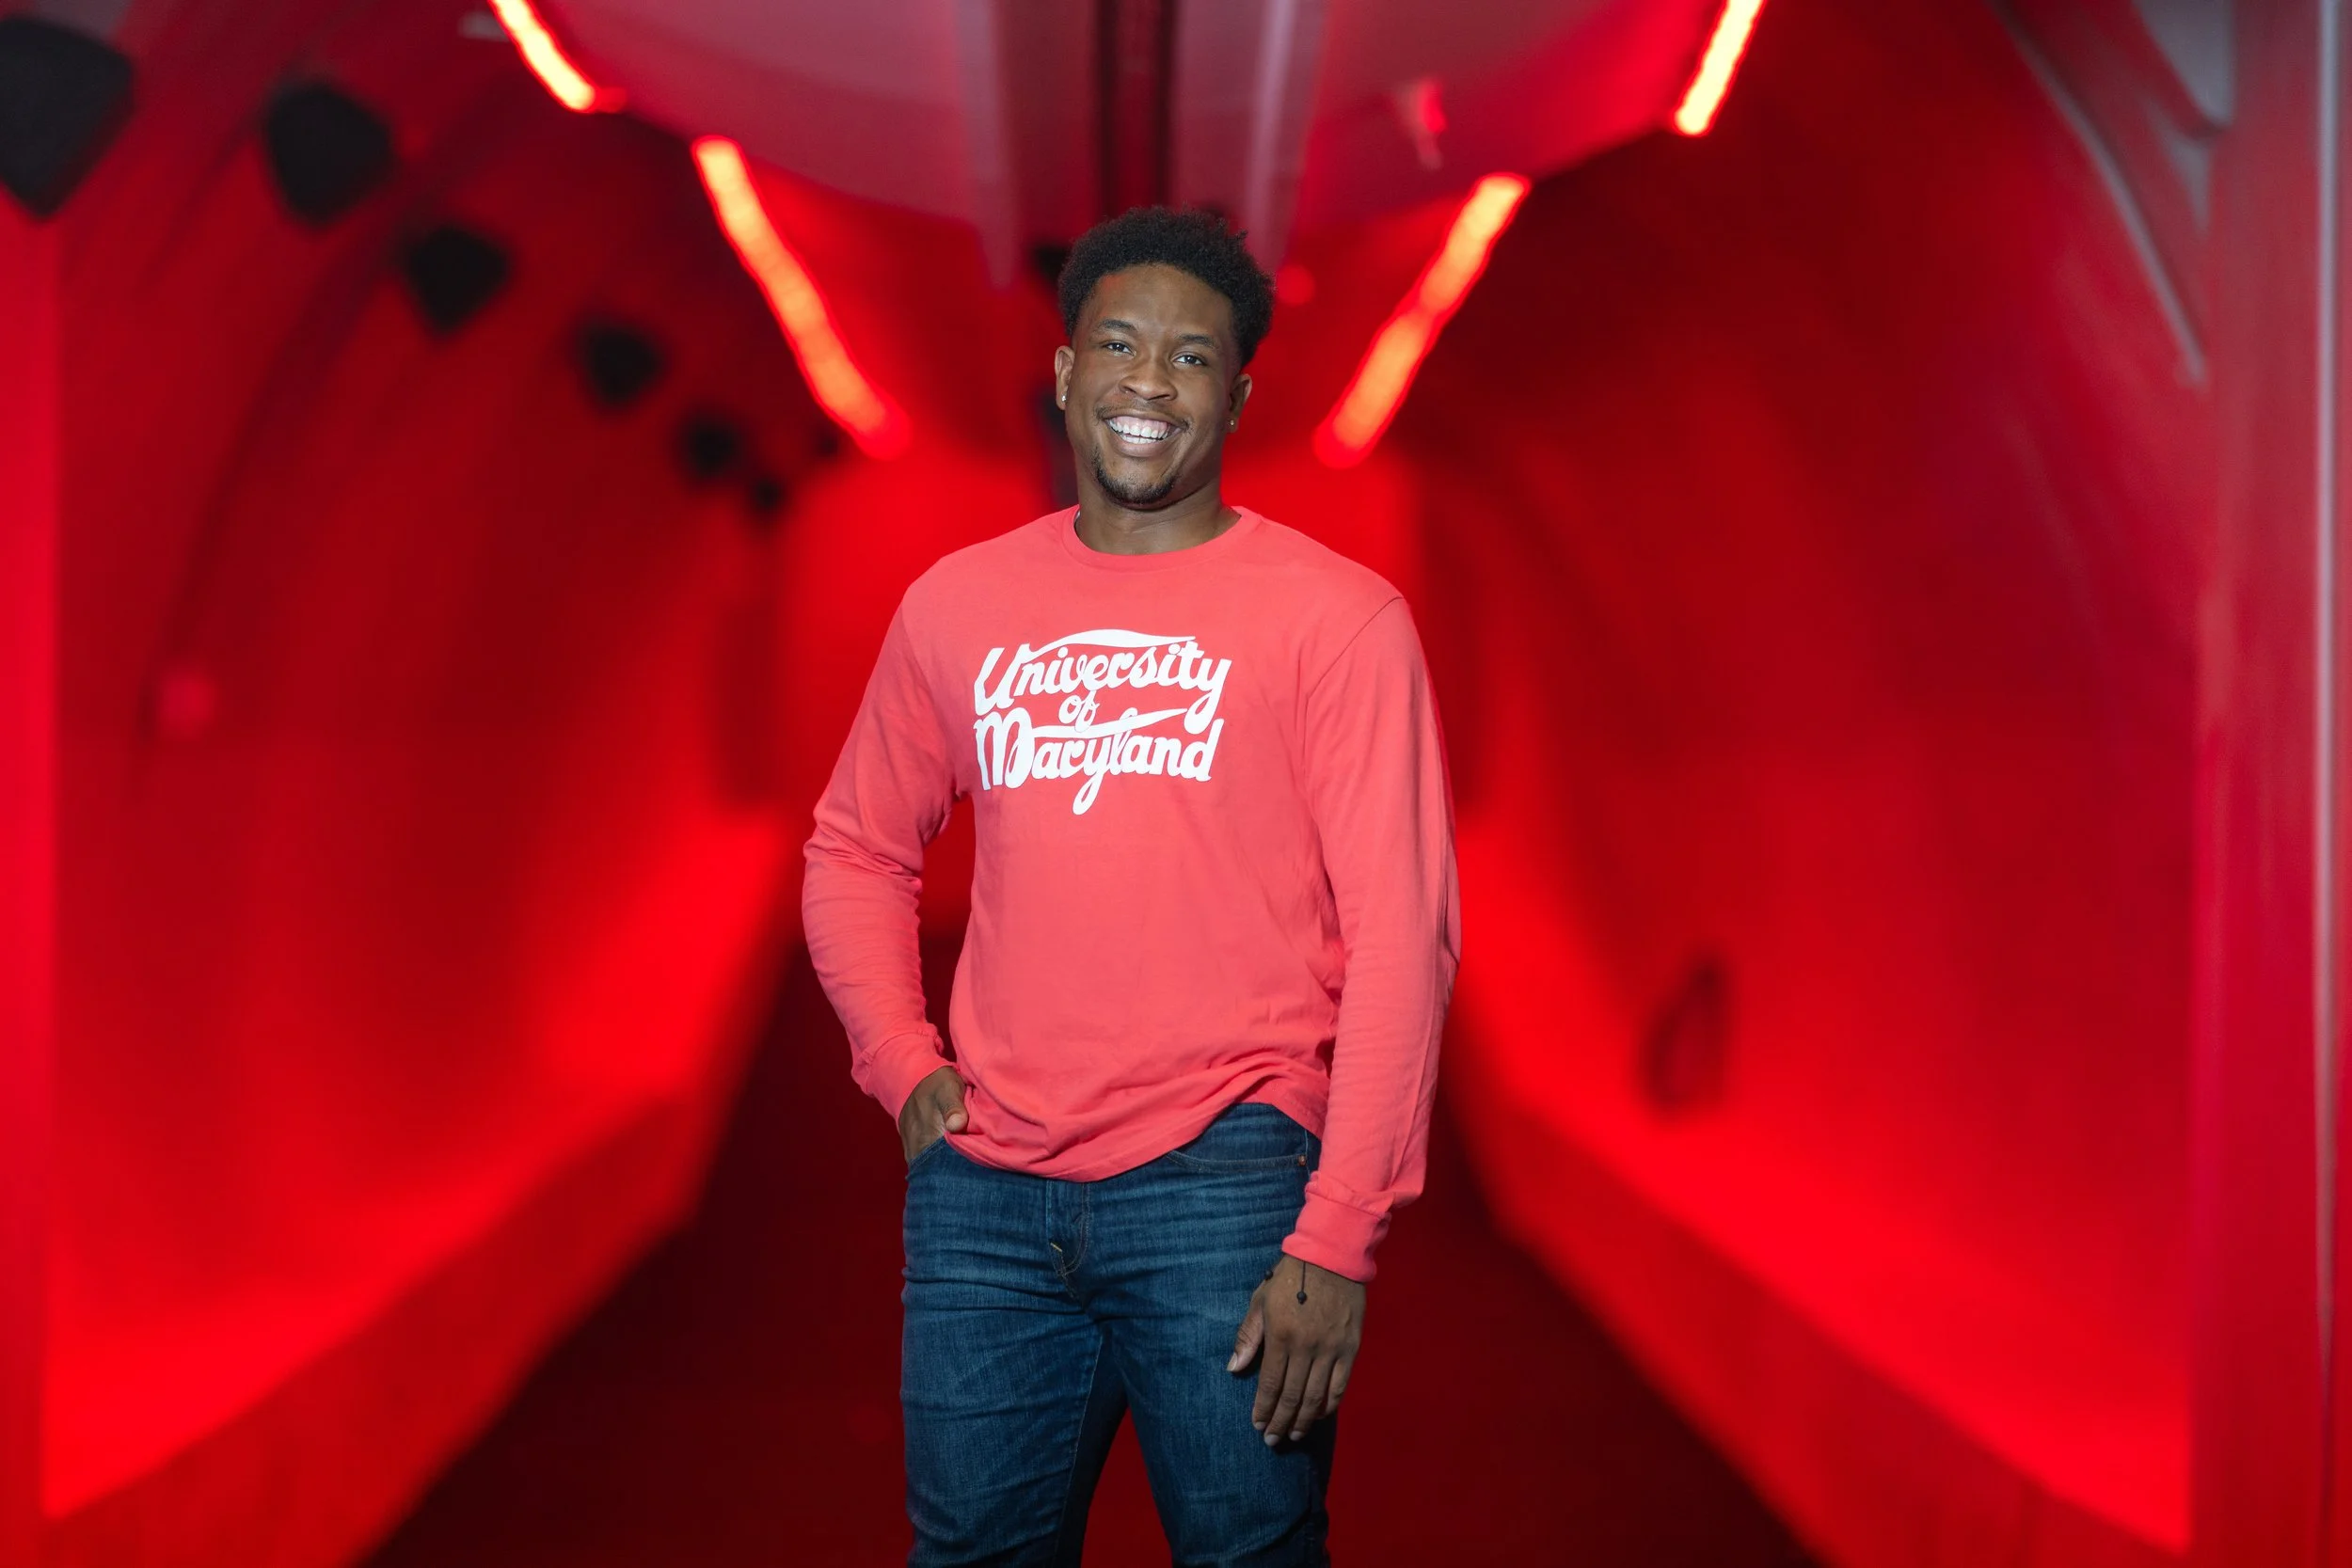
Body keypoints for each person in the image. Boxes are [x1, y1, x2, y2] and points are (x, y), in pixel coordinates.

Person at [803, 205, 1461, 1567]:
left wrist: (1339, 1233)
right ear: (1064, 373)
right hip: (987, 1192)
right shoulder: (955, 605)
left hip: (1229, 1183)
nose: (1149, 383)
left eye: (1191, 358)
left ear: (1238, 399)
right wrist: (902, 1064)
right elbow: (855, 849)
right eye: (1117, 345)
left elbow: (1404, 938)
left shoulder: (1338, 620)